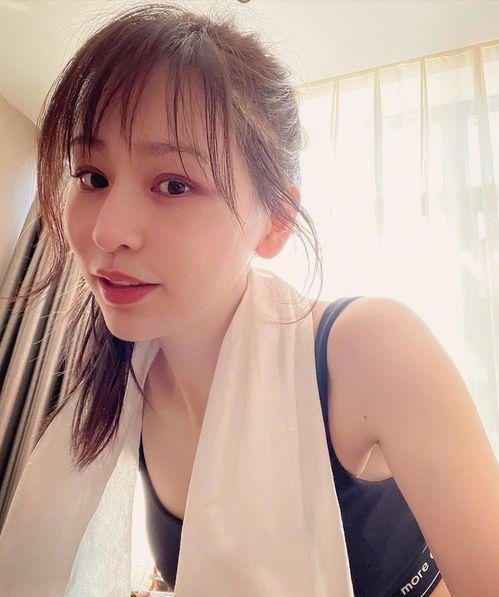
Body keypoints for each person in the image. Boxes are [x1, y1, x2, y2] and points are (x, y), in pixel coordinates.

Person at [2, 2, 498, 596]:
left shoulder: (368, 350)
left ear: (276, 221)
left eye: (173, 184)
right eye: (92, 177)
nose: (107, 232)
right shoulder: (119, 382)